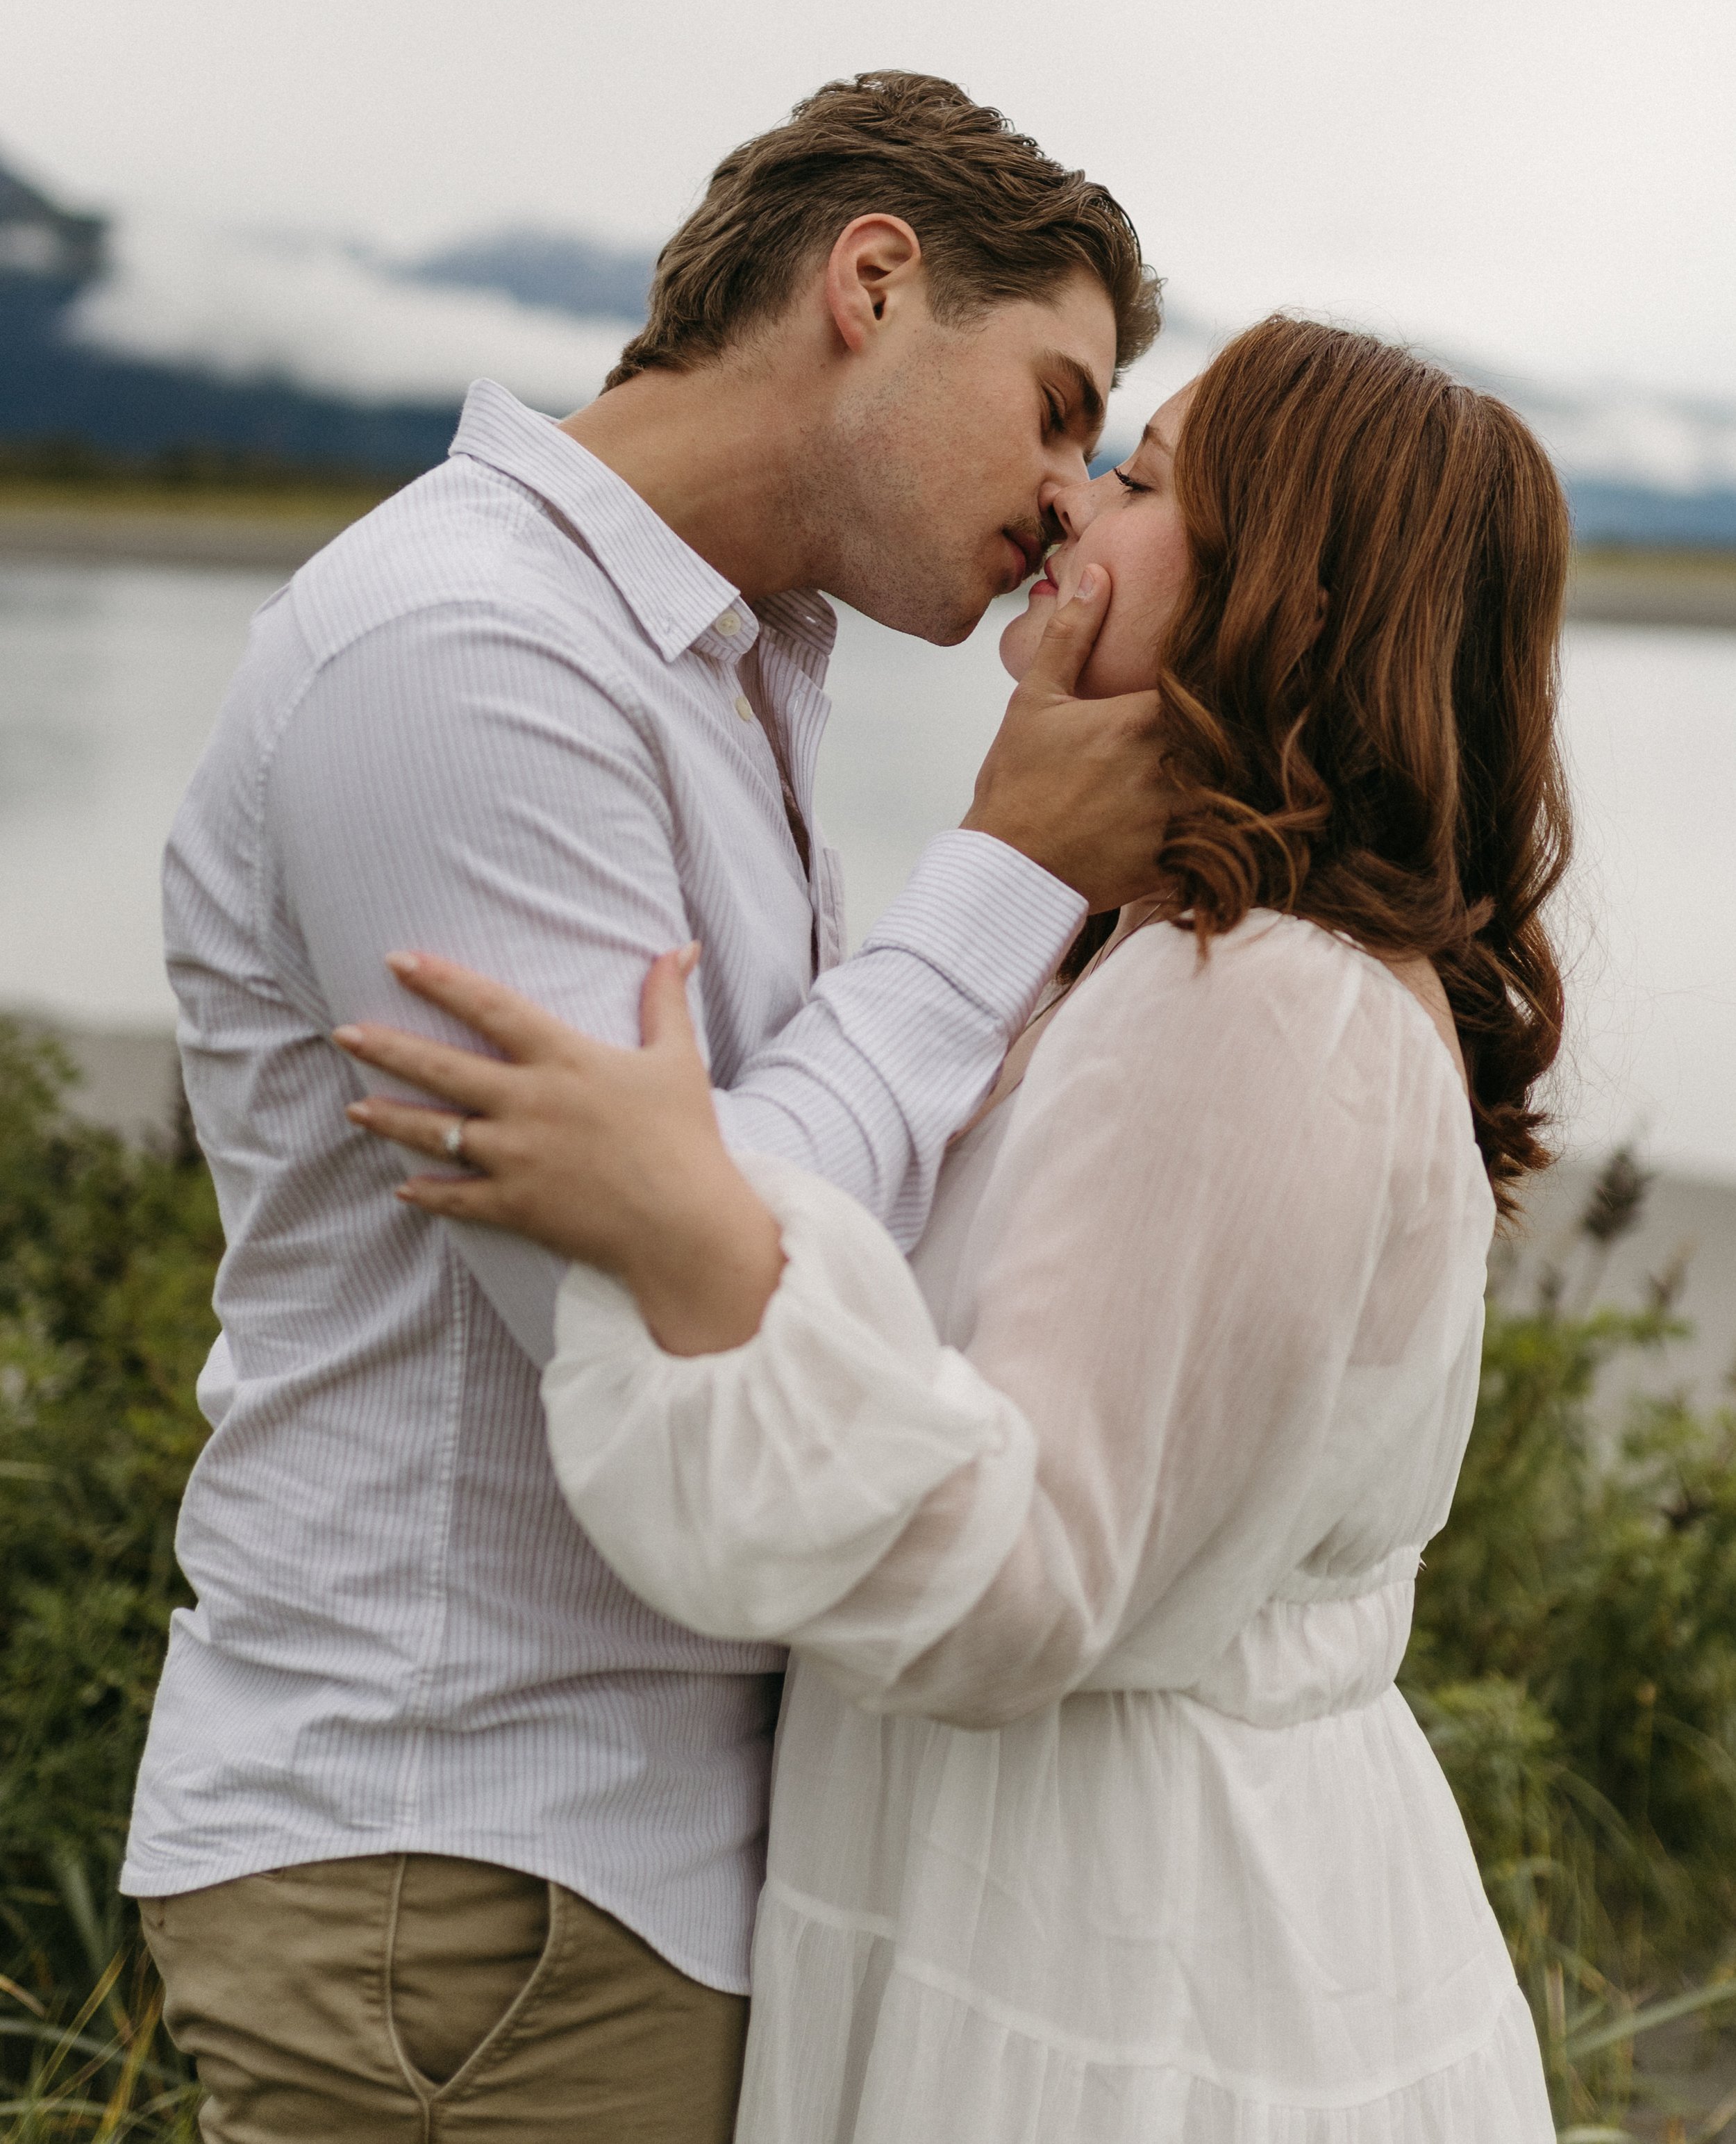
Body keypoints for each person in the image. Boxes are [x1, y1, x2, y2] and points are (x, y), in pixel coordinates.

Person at [340, 315, 1569, 2142]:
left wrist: (701, 1243)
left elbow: (1030, 1585)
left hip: (1120, 1952)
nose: (1072, 499)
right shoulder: (1164, 964)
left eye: (1145, 483)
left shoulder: (1253, 1004)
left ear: (1282, 608)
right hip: (1067, 1888)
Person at [126, 72, 1172, 2141]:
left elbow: (733, 1206)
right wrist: (1004, 877)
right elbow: (651, 1314)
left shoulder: (704, 670)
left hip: (587, 1883)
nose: (1072, 493)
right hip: (466, 1877)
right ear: (871, 283)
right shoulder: (463, 654)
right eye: (1055, 404)